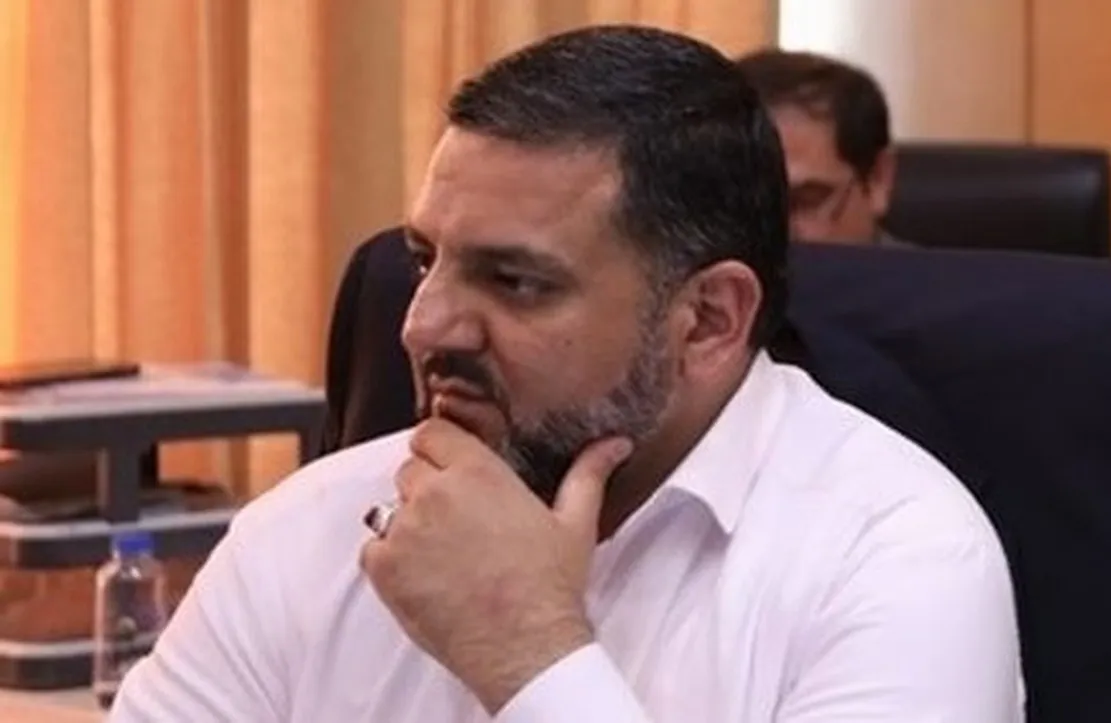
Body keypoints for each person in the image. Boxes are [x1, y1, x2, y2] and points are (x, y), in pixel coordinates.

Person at [110, 26, 1022, 722]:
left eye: (515, 281)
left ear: (709, 318)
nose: (422, 324)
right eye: (425, 259)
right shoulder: (307, 529)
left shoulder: (900, 558)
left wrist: (530, 653)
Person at [736, 49, 906, 247]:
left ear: (878, 179)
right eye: (742, 207)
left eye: (805, 201)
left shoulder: (933, 270)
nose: (771, 236)